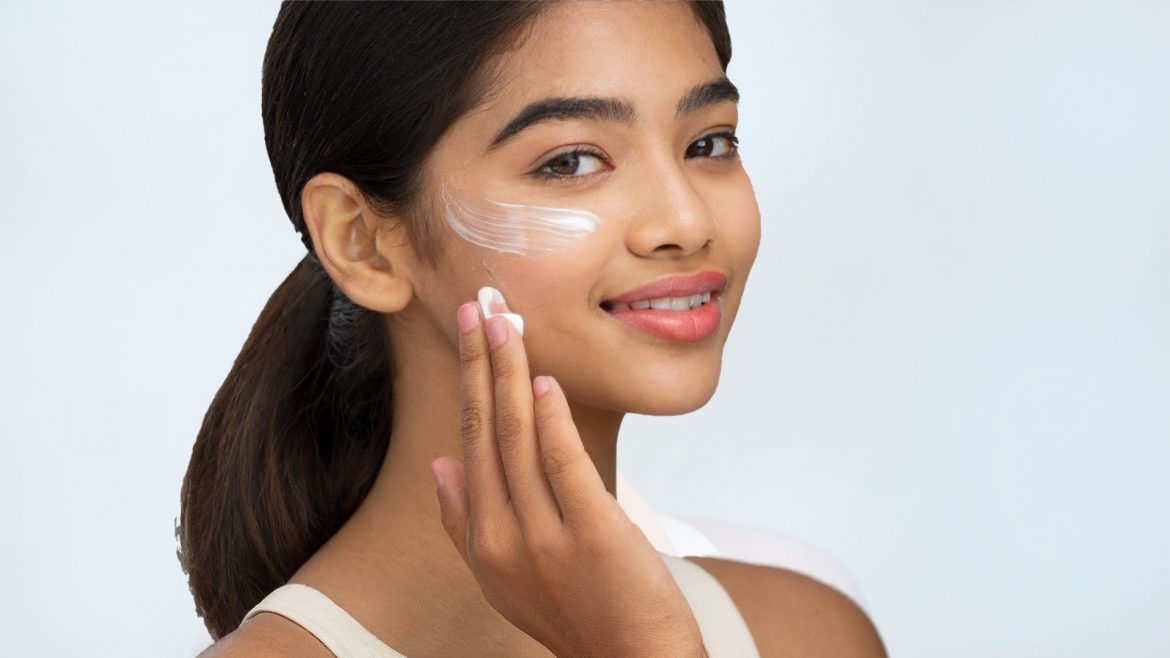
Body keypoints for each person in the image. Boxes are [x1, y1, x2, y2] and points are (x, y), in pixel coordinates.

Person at [178, 2, 887, 656]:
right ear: (361, 240)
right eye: (571, 161)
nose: (687, 222)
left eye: (708, 144)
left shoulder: (808, 633)